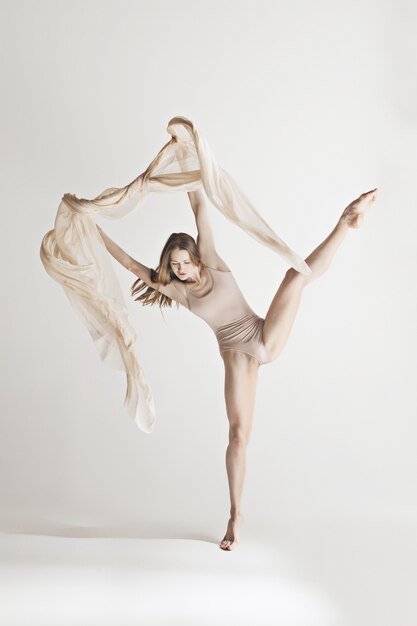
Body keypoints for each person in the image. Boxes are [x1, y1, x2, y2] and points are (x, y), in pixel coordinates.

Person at [97, 186, 378, 551]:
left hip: (263, 336)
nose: (181, 270)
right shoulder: (177, 290)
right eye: (175, 265)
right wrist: (95, 231)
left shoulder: (211, 259)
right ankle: (235, 514)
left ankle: (345, 220)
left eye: (185, 262)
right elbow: (132, 265)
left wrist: (185, 157)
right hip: (238, 357)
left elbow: (199, 203)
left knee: (295, 278)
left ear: (197, 257)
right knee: (238, 435)